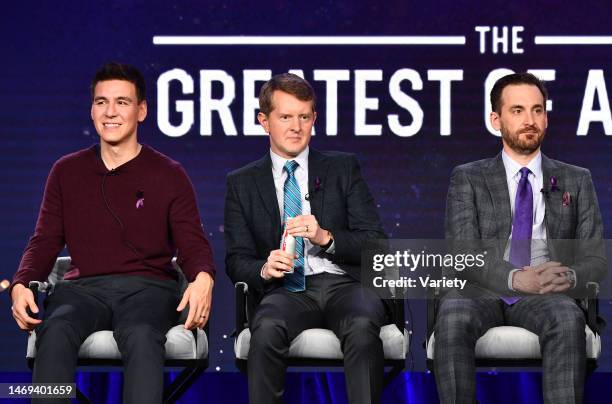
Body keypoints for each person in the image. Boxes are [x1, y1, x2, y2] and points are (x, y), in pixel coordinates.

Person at [10, 62, 215, 404]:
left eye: (122, 102)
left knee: (142, 334)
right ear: (92, 110)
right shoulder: (66, 171)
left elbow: (193, 244)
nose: (110, 112)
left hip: (149, 289)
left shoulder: (169, 174)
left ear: (142, 110)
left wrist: (204, 277)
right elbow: (44, 240)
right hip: (83, 289)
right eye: (101, 102)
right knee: (56, 330)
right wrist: (21, 282)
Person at [434, 72, 606, 404]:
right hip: (480, 290)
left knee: (568, 317)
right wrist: (514, 278)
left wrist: (569, 276)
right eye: (517, 111)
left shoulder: (577, 179)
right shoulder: (467, 178)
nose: (530, 120)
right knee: (452, 315)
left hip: (545, 292)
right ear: (495, 119)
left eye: (537, 110)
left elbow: (595, 259)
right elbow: (462, 253)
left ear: (546, 117)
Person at [225, 73, 388, 404]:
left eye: (304, 117)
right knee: (267, 327)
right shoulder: (241, 183)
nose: (296, 126)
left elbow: (376, 244)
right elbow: (236, 260)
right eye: (285, 117)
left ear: (314, 119)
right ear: (264, 121)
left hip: (346, 285)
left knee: (361, 324)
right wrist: (264, 269)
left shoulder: (343, 168)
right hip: (287, 290)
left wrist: (326, 237)